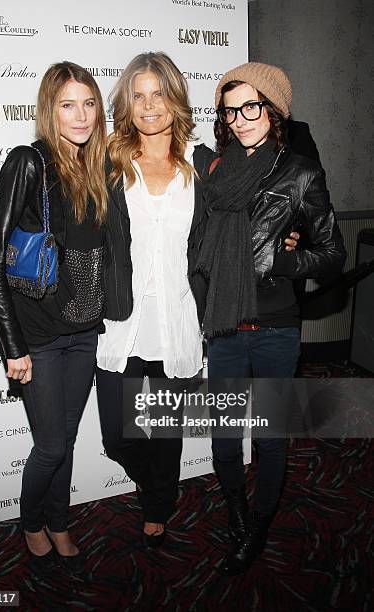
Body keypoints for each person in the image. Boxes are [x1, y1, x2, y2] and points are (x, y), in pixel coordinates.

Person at [96, 52, 298, 549]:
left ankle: (158, 504)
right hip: (123, 319)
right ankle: (155, 485)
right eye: (138, 95)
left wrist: (288, 238)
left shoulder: (201, 163)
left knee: (164, 433)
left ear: (174, 100)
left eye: (158, 93)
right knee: (117, 437)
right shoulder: (109, 160)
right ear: (126, 103)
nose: (148, 105)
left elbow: (248, 205)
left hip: (180, 317)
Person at [197, 62, 346, 574]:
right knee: (222, 432)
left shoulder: (301, 173)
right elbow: (199, 247)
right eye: (230, 110)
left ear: (274, 110)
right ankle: (236, 509)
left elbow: (332, 254)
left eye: (251, 107)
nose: (240, 120)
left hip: (276, 328)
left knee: (268, 435)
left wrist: (283, 260)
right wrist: (204, 299)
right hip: (223, 326)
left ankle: (260, 521)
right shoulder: (217, 170)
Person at [0, 61, 108, 575]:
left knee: (66, 441)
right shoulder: (28, 163)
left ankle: (59, 521)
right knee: (51, 444)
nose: (80, 115)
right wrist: (12, 347)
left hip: (84, 334)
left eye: (89, 103)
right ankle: (30, 522)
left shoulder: (96, 167)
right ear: (49, 110)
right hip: (39, 337)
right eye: (67, 104)